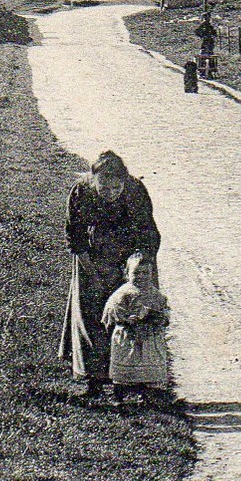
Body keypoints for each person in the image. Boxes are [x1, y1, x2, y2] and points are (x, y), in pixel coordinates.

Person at [60, 151, 161, 398]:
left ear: (124, 182)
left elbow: (148, 232)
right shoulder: (81, 191)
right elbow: (76, 236)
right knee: (92, 313)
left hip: (129, 257)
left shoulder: (135, 190)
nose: (110, 193)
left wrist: (137, 271)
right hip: (92, 255)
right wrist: (91, 272)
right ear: (94, 180)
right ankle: (94, 380)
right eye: (104, 188)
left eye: (116, 188)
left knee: (131, 313)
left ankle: (134, 380)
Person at [102, 252, 171, 403]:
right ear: (127, 274)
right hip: (128, 338)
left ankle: (147, 394)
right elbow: (111, 311)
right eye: (136, 273)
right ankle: (118, 394)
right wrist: (126, 319)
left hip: (149, 337)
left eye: (145, 273)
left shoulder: (155, 295)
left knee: (149, 365)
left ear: (152, 274)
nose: (141, 277)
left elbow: (164, 315)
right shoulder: (123, 293)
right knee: (125, 366)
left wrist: (153, 316)